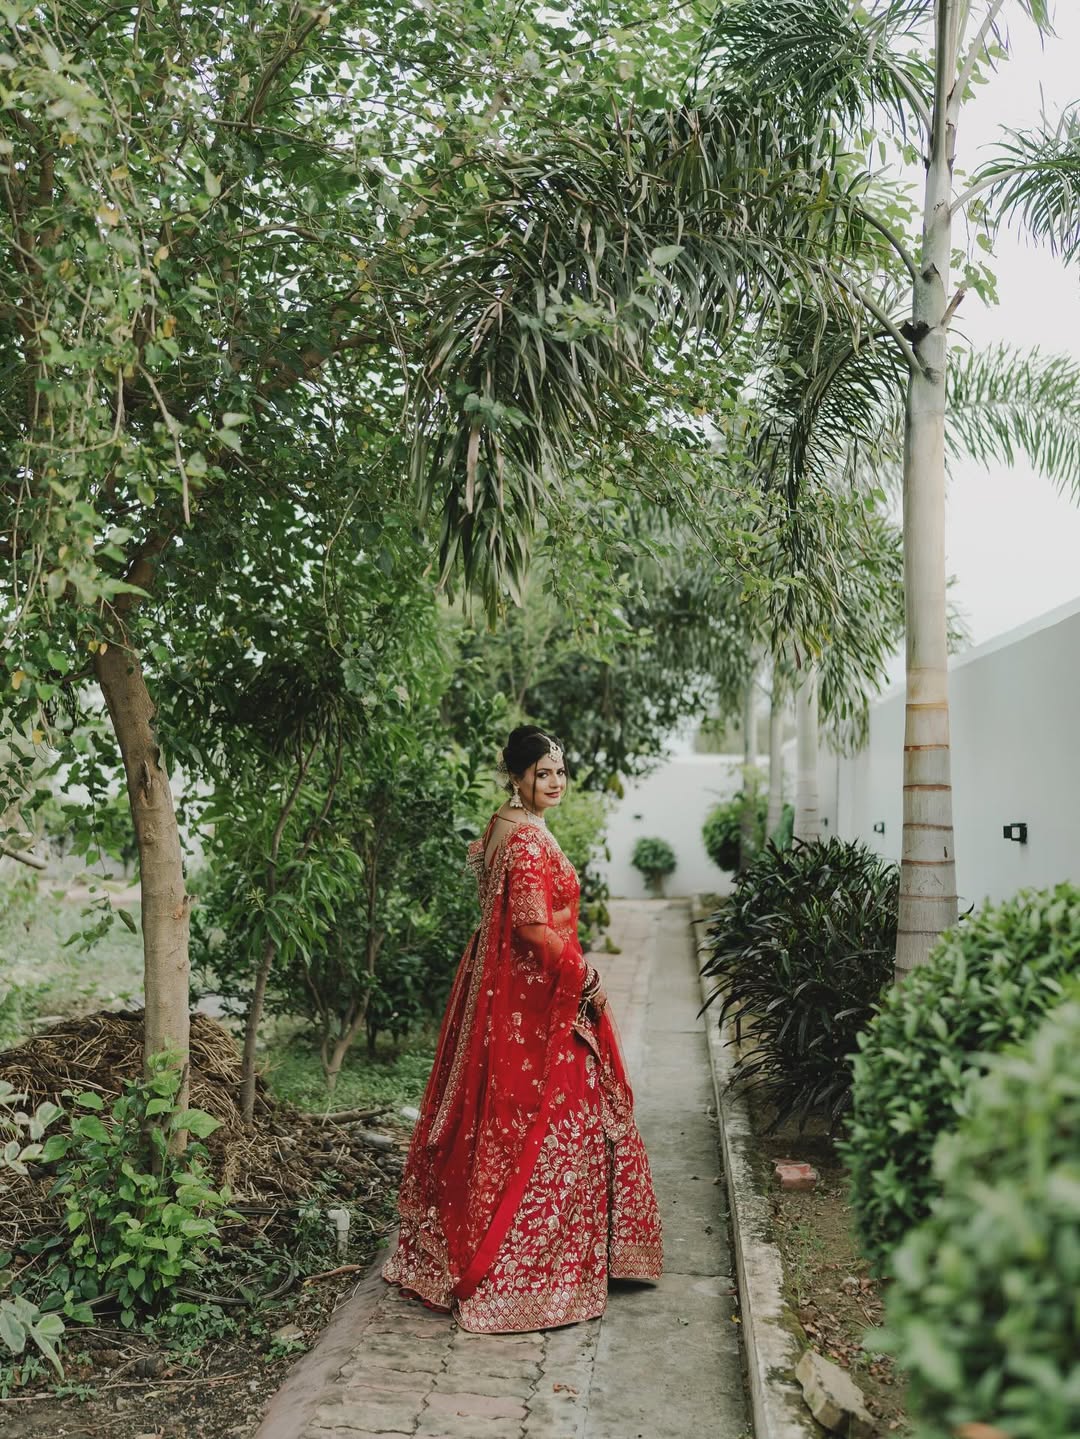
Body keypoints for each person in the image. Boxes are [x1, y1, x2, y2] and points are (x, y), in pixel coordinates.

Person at [382, 725, 662, 1332]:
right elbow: (533, 929)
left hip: (497, 986)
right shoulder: (529, 840)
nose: (555, 782)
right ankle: (528, 1271)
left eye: (560, 772)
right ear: (517, 776)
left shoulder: (504, 824)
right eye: (543, 773)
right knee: (564, 1112)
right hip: (533, 994)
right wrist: (585, 978)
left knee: (493, 1114)